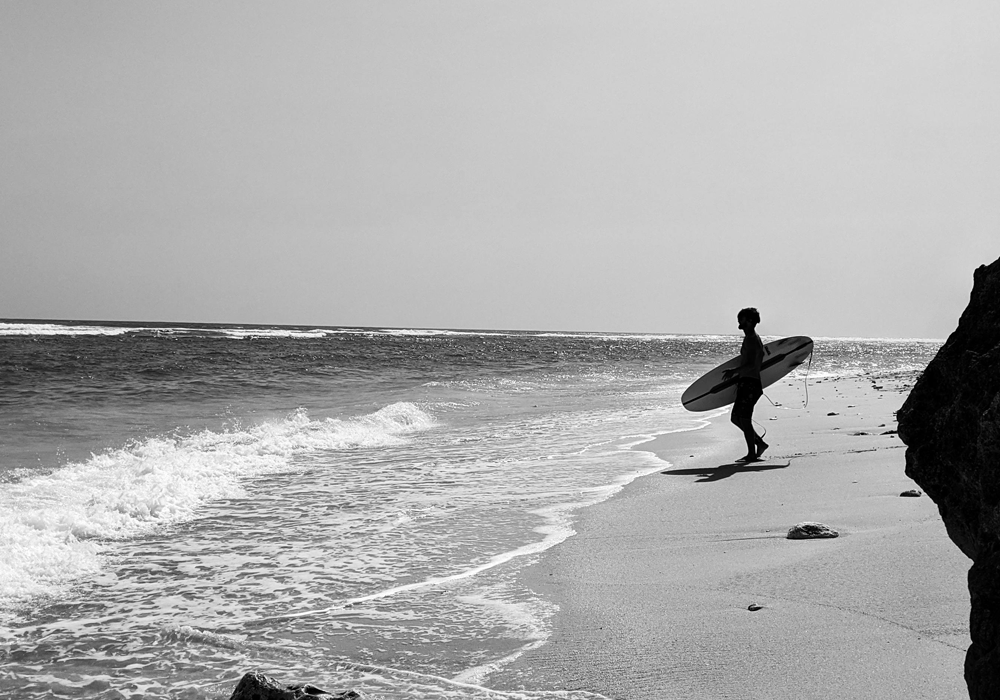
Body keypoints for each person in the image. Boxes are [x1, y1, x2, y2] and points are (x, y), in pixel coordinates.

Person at [722, 307, 768, 462]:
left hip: (750, 383)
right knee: (736, 418)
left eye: (741, 319)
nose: (738, 322)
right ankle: (759, 443)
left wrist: (735, 371)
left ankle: (752, 454)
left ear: (749, 320)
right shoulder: (750, 338)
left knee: (744, 419)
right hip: (746, 383)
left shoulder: (752, 339)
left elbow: (754, 365)